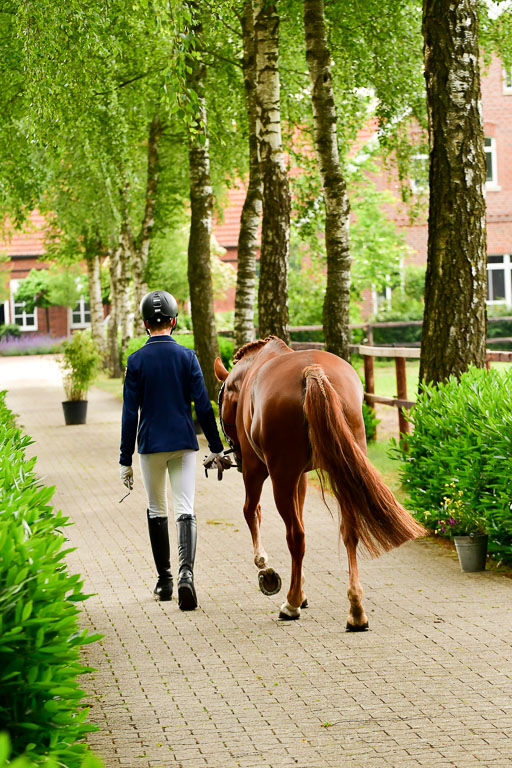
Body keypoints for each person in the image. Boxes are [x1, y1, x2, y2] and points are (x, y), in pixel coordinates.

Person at [119, 290, 232, 610]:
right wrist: (217, 446)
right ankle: (186, 576)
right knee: (185, 507)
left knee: (157, 509)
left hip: (151, 445)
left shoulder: (136, 361)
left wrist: (124, 459)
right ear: (174, 321)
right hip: (183, 444)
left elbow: (130, 413)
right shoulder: (188, 357)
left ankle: (165, 581)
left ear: (145, 324)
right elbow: (204, 408)